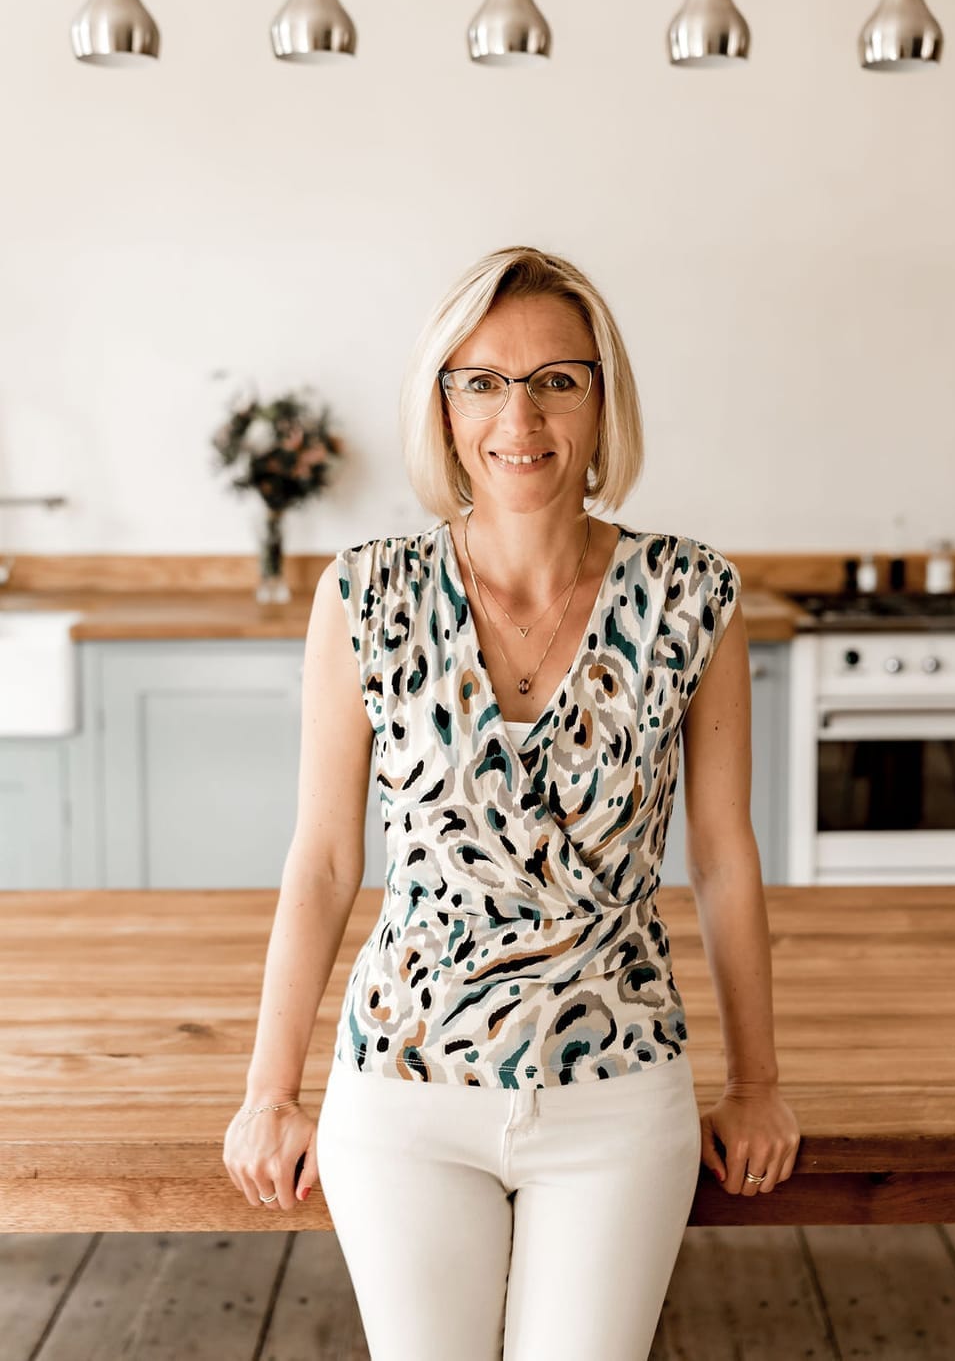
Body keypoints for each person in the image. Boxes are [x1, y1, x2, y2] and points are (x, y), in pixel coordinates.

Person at [222, 245, 801, 1360]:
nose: (518, 417)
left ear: (602, 400)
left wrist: (757, 1084)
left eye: (555, 380)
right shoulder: (364, 594)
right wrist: (268, 1091)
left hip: (618, 1090)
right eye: (481, 381)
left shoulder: (692, 594)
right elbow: (325, 861)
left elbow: (723, 857)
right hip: (401, 1088)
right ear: (441, 407)